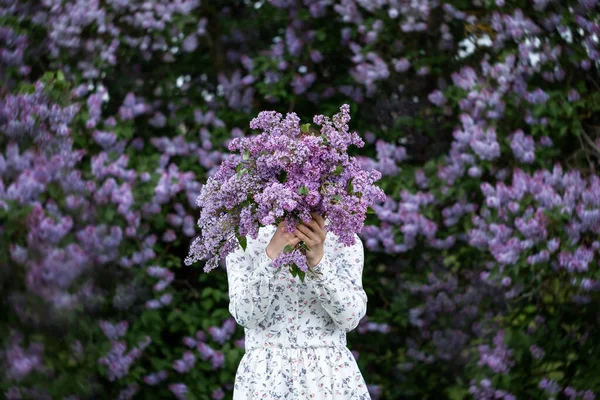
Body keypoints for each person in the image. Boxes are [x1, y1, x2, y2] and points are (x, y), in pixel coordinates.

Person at [225, 212, 371, 399]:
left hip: (328, 378)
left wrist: (319, 262)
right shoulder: (246, 238)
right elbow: (245, 316)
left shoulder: (342, 238)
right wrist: (271, 255)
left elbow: (349, 318)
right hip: (266, 380)